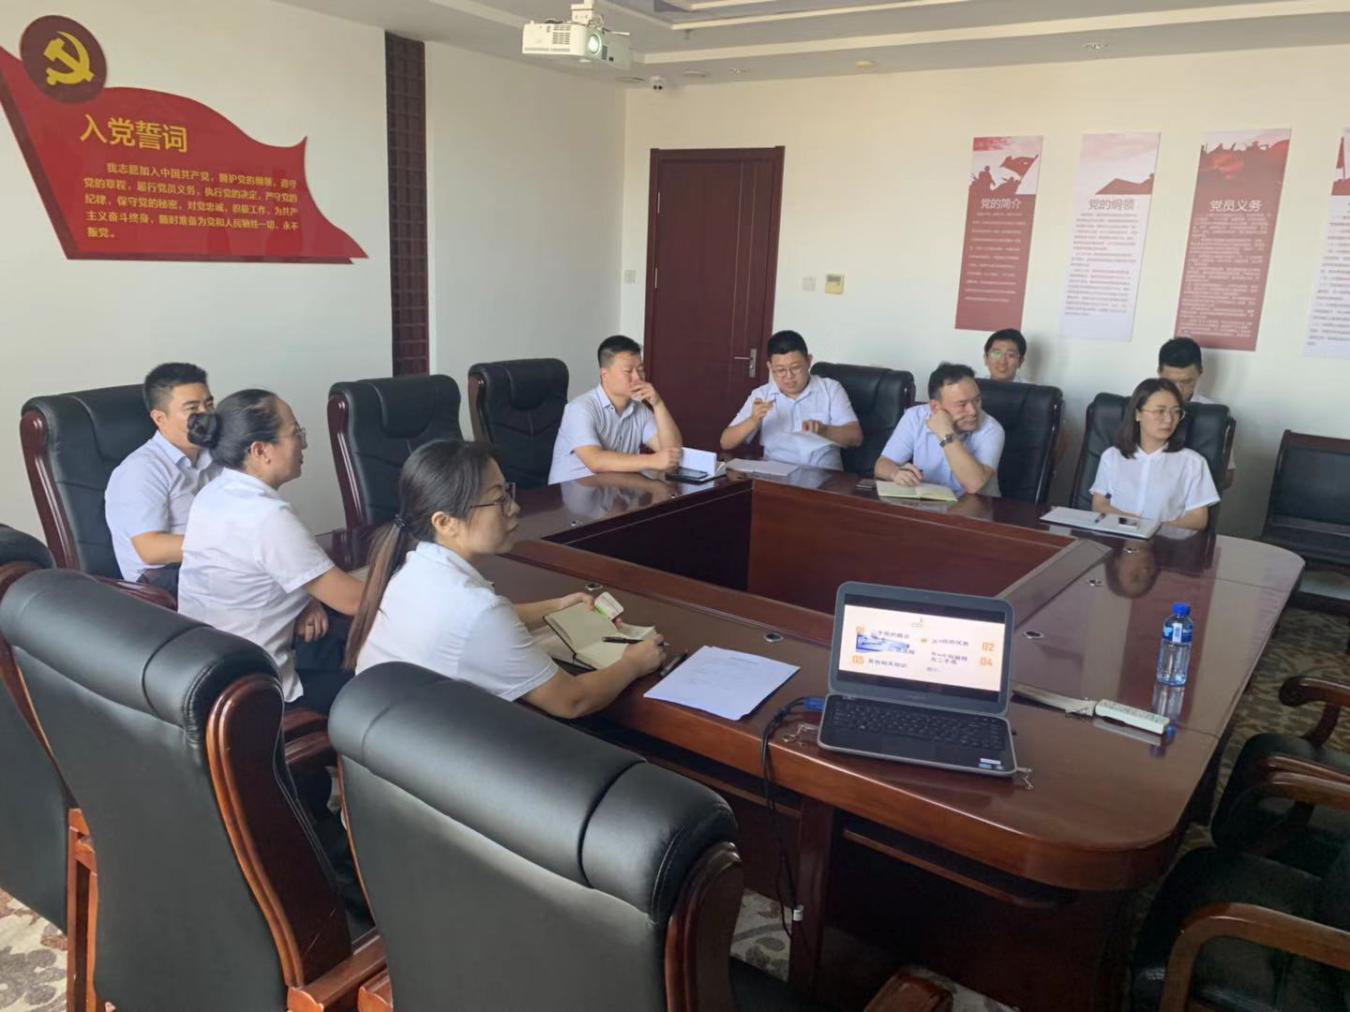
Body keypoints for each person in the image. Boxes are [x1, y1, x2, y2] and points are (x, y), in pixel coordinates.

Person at [349, 440, 668, 718]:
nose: (514, 507)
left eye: (507, 492)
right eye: (498, 499)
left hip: (386, 743)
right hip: (434, 757)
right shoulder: (474, 609)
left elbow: (478, 623)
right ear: (445, 523)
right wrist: (633, 663)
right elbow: (572, 701)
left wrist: (556, 607)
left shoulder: (415, 568)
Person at [178, 389, 365, 714]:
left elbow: (261, 571)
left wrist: (307, 599)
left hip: (202, 676)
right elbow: (354, 601)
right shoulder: (267, 517)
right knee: (384, 691)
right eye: (295, 434)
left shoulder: (214, 492)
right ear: (260, 450)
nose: (303, 444)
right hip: (256, 695)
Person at [105, 362, 220, 595]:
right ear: (160, 418)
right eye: (192, 408)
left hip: (211, 564)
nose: (206, 415)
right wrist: (229, 544)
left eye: (209, 404)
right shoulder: (141, 470)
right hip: (164, 580)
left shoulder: (216, 455)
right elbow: (151, 549)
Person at [719, 330, 862, 470]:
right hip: (775, 473)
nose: (789, 376)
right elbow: (726, 442)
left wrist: (824, 430)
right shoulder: (762, 395)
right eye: (780, 370)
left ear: (808, 361)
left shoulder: (830, 389)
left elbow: (856, 437)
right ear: (770, 367)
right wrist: (753, 420)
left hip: (822, 474)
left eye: (795, 368)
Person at [548, 335, 683, 484]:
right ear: (604, 374)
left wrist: (658, 404)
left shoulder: (640, 410)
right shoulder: (579, 409)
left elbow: (673, 453)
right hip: (569, 493)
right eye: (628, 371)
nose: (638, 378)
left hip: (614, 491)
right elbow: (595, 461)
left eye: (640, 370)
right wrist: (653, 461)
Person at [1090, 378, 1219, 532]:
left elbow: (1198, 519)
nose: (1169, 419)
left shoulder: (1193, 463)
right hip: (1117, 537)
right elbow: (1099, 504)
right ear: (1138, 414)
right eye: (1160, 411)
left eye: (1176, 411)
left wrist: (1153, 530)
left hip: (1166, 541)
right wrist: (1133, 526)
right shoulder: (1112, 456)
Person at [875, 363, 1005, 496]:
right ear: (935, 407)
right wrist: (895, 473)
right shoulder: (915, 417)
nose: (973, 411)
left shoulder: (991, 429)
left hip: (976, 505)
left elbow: (974, 485)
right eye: (962, 404)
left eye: (977, 400)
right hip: (926, 502)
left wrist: (946, 433)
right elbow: (882, 465)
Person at [1157, 336, 1236, 487]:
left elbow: (1227, 477)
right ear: (1159, 373)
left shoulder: (1215, 415)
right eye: (1171, 382)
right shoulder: (1141, 408)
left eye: (1186, 382)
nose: (1178, 389)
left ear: (1200, 372)